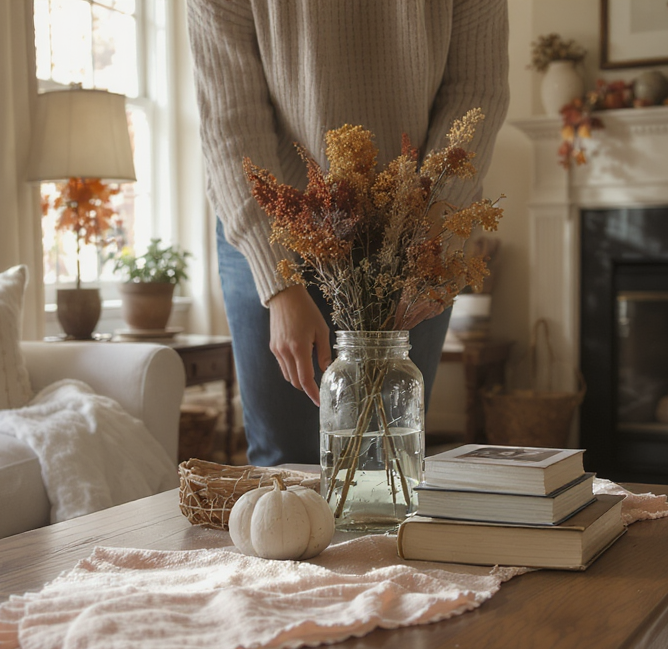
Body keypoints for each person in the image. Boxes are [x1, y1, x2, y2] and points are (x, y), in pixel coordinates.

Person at [189, 0, 509, 467]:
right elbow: (230, 119)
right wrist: (278, 282)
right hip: (273, 224)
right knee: (286, 466)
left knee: (391, 458)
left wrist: (425, 231)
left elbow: (476, 90)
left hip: (414, 223)